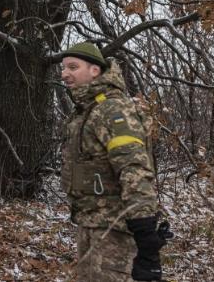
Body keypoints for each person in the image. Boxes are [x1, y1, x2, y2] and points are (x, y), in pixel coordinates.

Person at [60, 41, 170, 281]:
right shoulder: (87, 110)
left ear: (95, 71)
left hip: (115, 229)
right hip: (92, 224)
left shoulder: (111, 110)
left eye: (73, 67)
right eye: (63, 68)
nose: (65, 74)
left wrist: (145, 235)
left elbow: (134, 169)